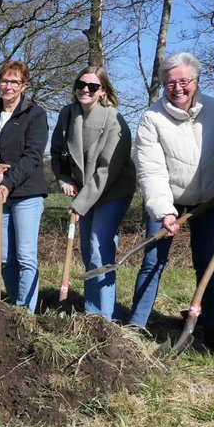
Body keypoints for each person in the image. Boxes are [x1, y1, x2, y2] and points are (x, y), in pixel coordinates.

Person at [125, 53, 214, 345]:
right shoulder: (152, 118)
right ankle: (137, 326)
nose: (177, 87)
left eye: (183, 81)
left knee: (206, 261)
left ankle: (211, 323)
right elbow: (151, 169)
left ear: (196, 81)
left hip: (208, 199)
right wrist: (164, 211)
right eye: (169, 82)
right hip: (167, 199)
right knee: (153, 260)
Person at [49, 65, 135, 320]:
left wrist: (81, 202)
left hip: (111, 190)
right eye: (81, 84)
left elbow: (108, 170)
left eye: (93, 86)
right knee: (89, 251)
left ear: (103, 90)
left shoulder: (113, 120)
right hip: (84, 192)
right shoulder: (67, 114)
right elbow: (59, 152)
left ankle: (99, 319)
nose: (85, 90)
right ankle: (107, 309)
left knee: (99, 248)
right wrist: (64, 178)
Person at [0, 60, 49, 312]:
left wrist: (8, 181)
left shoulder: (35, 114)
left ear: (24, 85)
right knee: (5, 257)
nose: (8, 86)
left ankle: (25, 311)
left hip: (26, 191)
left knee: (25, 256)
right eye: (4, 81)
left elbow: (33, 155)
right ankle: (13, 310)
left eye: (14, 82)